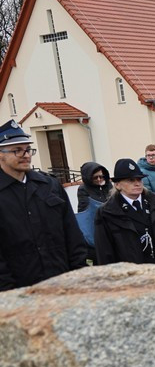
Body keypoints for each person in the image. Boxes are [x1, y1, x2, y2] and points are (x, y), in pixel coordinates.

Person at [0, 120, 88, 290]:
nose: (25, 155)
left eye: (27, 149)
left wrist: (79, 275)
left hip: (62, 282)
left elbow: (72, 234)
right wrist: (8, 292)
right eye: (17, 150)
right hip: (20, 288)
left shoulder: (49, 186)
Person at [94, 158, 155, 265]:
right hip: (129, 274)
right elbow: (104, 251)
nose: (137, 184)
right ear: (117, 185)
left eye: (139, 179)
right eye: (130, 180)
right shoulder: (107, 213)